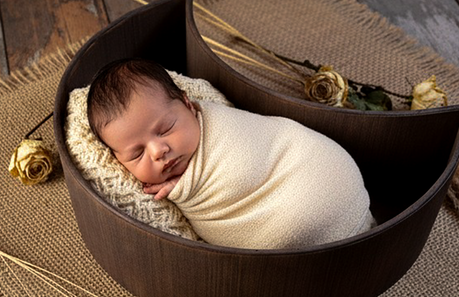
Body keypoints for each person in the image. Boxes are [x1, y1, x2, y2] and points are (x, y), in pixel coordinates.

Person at [87, 58, 373, 250]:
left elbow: (246, 164)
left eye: (166, 129)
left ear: (189, 105)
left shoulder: (222, 127)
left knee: (312, 207)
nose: (158, 151)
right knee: (294, 226)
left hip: (316, 170)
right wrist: (186, 190)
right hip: (292, 222)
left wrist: (185, 187)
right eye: (137, 154)